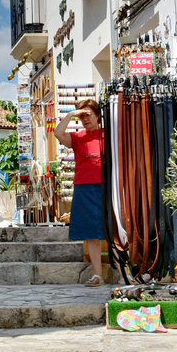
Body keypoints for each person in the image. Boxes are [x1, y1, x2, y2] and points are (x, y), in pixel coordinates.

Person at [56, 98, 107, 286]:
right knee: (90, 233)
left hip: (106, 186)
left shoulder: (108, 135)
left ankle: (126, 274)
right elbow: (58, 133)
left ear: (98, 115)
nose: (85, 119)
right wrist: (70, 115)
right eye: (82, 116)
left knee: (115, 230)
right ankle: (98, 275)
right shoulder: (77, 138)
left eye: (88, 115)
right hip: (84, 187)